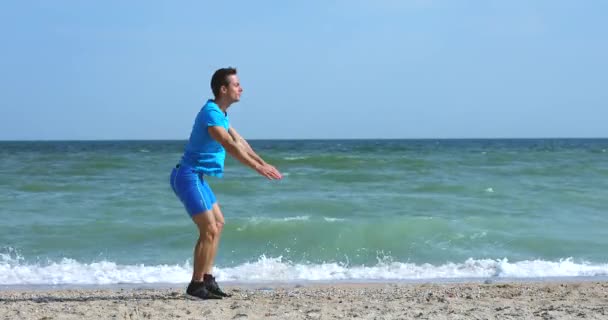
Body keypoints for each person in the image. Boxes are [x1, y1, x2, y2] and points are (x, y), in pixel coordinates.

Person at [170, 67, 282, 299]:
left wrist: (262, 161)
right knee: (208, 228)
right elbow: (228, 146)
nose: (241, 88)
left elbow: (239, 141)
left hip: (196, 176)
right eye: (236, 84)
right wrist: (257, 168)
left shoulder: (221, 114)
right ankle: (195, 285)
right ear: (224, 89)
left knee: (218, 223)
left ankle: (208, 279)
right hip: (188, 175)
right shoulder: (211, 113)